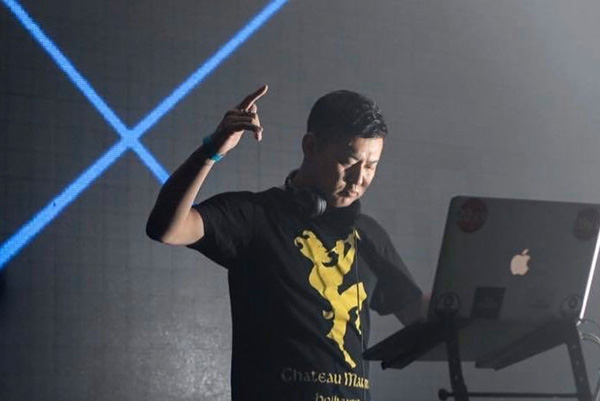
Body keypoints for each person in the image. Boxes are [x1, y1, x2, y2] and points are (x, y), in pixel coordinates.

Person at [146, 85, 423, 401]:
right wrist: (212, 151)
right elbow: (166, 228)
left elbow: (422, 315)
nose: (359, 178)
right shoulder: (256, 217)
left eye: (371, 166)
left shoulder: (369, 235)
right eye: (348, 161)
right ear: (311, 146)